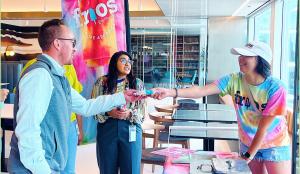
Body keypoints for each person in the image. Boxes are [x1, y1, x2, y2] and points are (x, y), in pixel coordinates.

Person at [7, 19, 142, 174]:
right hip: (34, 169)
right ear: (57, 44)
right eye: (72, 42)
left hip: (47, 165)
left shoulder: (58, 76)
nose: (75, 48)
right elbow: (27, 130)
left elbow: (85, 106)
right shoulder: (40, 75)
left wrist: (123, 96)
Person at [152, 41, 291, 174]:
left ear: (261, 60)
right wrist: (170, 92)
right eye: (240, 55)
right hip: (248, 141)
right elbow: (200, 91)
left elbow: (263, 128)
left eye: (246, 55)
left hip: (275, 144)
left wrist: (247, 156)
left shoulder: (276, 88)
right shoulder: (233, 80)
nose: (240, 59)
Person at [17, 58, 84, 174]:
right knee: (48, 166)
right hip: (47, 128)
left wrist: (80, 129)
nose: (74, 49)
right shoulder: (34, 67)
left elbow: (78, 103)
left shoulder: (69, 67)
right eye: (71, 42)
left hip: (69, 125)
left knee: (68, 170)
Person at [91, 51, 145, 174]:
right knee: (107, 167)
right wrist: (109, 113)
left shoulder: (137, 83)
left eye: (129, 61)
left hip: (130, 127)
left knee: (131, 168)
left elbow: (142, 113)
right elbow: (93, 108)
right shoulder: (101, 82)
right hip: (107, 128)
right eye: (123, 60)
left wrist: (130, 113)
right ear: (114, 63)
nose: (128, 64)